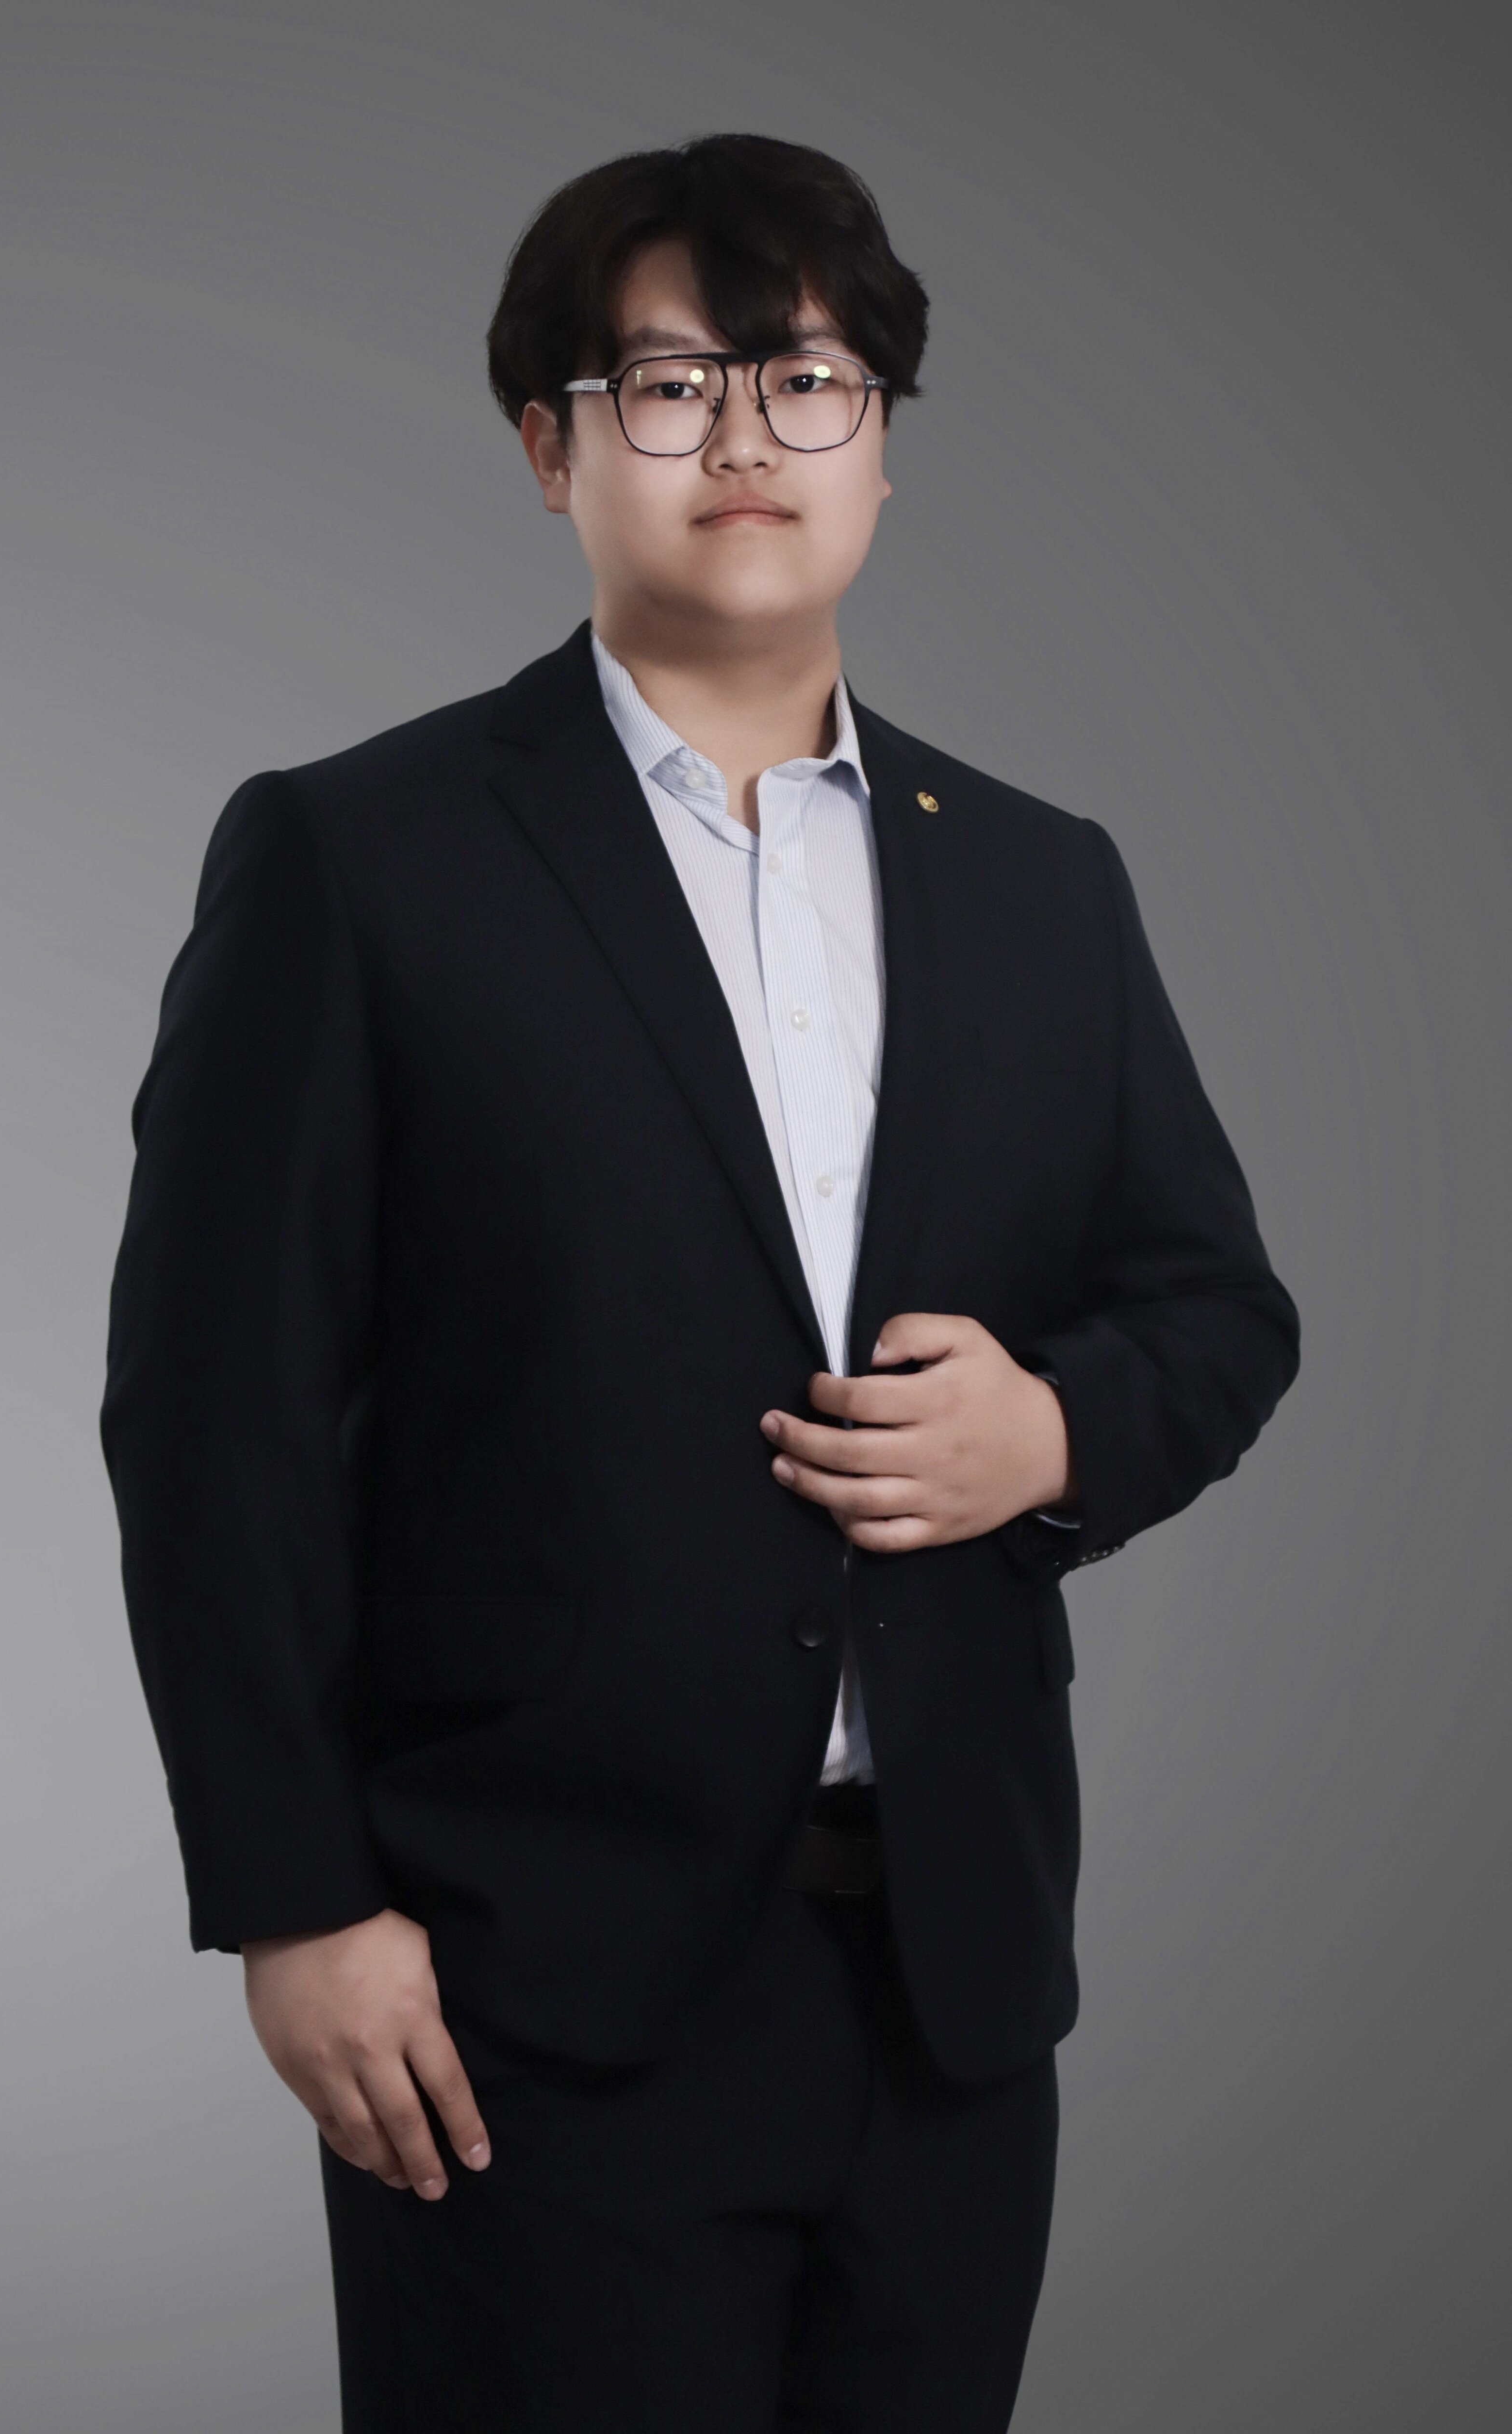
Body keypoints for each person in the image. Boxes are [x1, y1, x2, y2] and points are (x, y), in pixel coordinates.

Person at [101, 132, 1299, 2434]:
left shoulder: (1040, 881)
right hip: (516, 1989)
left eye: (804, 378)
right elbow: (210, 1419)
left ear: (880, 442)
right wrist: (292, 1902)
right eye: (665, 383)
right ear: (547, 448)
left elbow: (1215, 1307)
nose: (744, 435)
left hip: (947, 1984)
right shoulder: (358, 859)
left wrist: (1054, 1432)